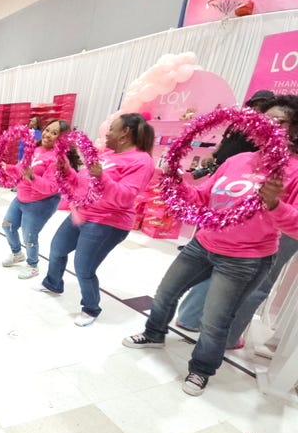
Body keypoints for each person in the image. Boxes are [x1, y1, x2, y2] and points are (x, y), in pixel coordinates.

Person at [122, 95, 298, 396]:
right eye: (264, 118)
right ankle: (153, 333)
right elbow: (204, 197)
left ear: (294, 131)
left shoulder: (292, 171)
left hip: (243, 259)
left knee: (216, 320)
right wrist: (179, 186)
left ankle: (201, 369)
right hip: (203, 243)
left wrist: (274, 205)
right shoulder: (238, 160)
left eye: (278, 121)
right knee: (165, 293)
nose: (268, 124)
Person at [38, 113, 156, 327]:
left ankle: (91, 308)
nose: (107, 133)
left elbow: (126, 196)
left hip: (108, 222)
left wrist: (103, 176)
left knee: (83, 267)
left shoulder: (142, 161)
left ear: (124, 134)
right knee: (57, 248)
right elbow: (84, 182)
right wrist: (68, 172)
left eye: (112, 129)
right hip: (83, 212)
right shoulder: (108, 154)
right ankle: (53, 283)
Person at [1, 120, 79, 279]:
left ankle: (33, 264)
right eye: (47, 130)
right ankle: (17, 254)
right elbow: (20, 169)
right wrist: (7, 167)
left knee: (29, 236)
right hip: (21, 197)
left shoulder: (58, 159)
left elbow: (51, 187)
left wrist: (31, 177)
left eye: (54, 133)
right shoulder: (36, 149)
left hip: (40, 204)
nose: (48, 134)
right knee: (7, 226)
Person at [191, 90, 274, 179]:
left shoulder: (266, 130)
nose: (256, 108)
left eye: (262, 105)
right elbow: (224, 141)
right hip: (220, 168)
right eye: (254, 104)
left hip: (241, 173)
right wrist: (212, 155)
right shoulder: (238, 122)